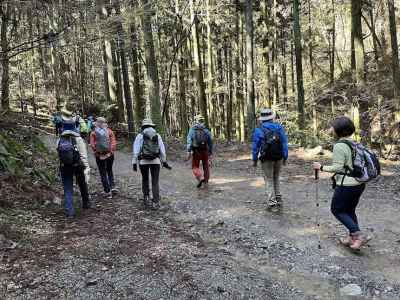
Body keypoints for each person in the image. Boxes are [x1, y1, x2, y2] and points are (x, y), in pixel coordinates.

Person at [313, 116, 371, 250]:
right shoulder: (355, 143)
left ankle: (359, 235)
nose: (331, 129)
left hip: (347, 185)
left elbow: (338, 168)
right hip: (359, 183)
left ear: (339, 129)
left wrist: (320, 167)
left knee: (337, 209)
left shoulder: (340, 145)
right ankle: (352, 237)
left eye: (333, 127)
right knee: (349, 210)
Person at [56, 110, 91, 218]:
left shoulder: (60, 139)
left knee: (67, 188)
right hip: (78, 166)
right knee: (82, 184)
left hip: (64, 167)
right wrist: (86, 168)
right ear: (74, 126)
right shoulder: (78, 139)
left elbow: (57, 152)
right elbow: (83, 155)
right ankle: (86, 203)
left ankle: (70, 211)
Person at [252, 108, 288, 209]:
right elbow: (284, 143)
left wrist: (254, 160)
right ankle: (279, 199)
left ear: (262, 119)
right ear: (272, 118)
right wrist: (285, 156)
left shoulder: (258, 130)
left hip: (266, 158)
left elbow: (255, 147)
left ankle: (272, 202)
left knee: (268, 179)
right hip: (279, 157)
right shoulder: (279, 128)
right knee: (276, 177)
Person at [132, 118, 170, 210]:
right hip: (155, 161)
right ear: (152, 126)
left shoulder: (139, 136)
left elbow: (136, 151)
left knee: (145, 179)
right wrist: (164, 161)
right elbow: (162, 150)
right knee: (155, 181)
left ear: (143, 127)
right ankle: (156, 202)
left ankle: (146, 198)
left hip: (143, 161)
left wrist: (134, 162)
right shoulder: (157, 135)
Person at [90, 117, 117, 199]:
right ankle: (112, 187)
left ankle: (107, 191)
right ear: (105, 123)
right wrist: (110, 152)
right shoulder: (109, 131)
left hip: (99, 156)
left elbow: (92, 145)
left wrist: (97, 152)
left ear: (97, 123)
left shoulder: (94, 132)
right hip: (110, 155)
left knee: (102, 172)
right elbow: (113, 143)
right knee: (109, 170)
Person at [186, 115, 213, 188]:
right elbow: (210, 142)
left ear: (195, 121)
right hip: (205, 151)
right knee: (206, 166)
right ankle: (206, 182)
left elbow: (189, 141)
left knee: (195, 166)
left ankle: (200, 178)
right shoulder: (206, 131)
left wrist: (189, 151)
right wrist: (210, 153)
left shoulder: (192, 130)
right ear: (203, 121)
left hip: (196, 151)